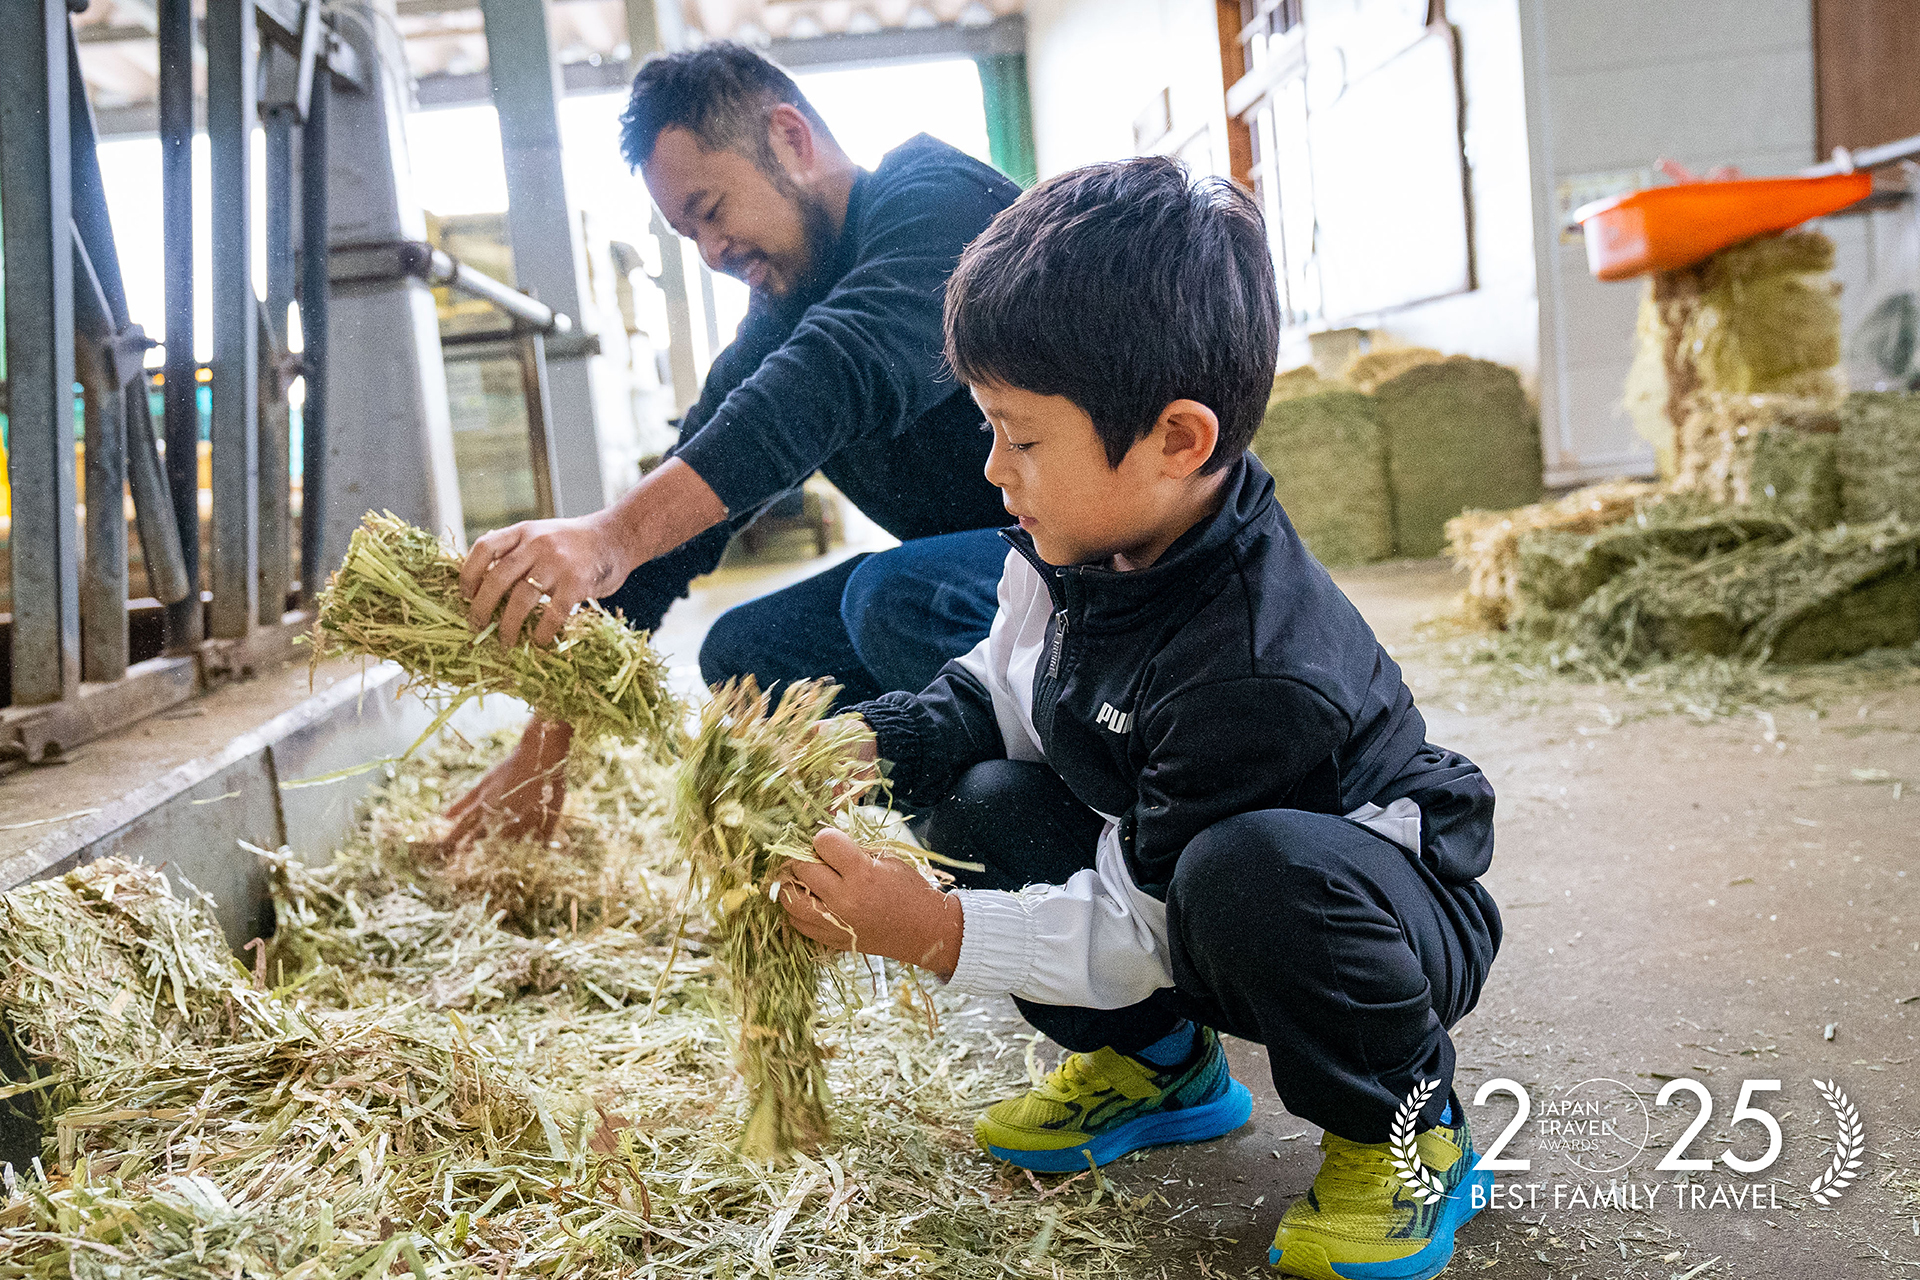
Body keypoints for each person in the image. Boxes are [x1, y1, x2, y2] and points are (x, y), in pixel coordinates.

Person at [772, 159, 1503, 1280]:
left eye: (1020, 436)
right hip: (1183, 878)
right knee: (978, 801)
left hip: (1364, 910)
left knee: (1249, 872)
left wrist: (928, 929)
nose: (990, 468)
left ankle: (1411, 1136)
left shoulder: (1255, 666)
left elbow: (1135, 927)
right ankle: (1161, 1065)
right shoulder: (1083, 538)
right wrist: (877, 740)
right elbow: (1004, 680)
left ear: (1177, 439)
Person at [446, 44, 1019, 847]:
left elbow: (840, 368)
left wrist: (608, 533)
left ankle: (1067, 806)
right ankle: (965, 818)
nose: (711, 253)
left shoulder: (943, 209)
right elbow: (658, 558)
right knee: (750, 658)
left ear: (789, 138)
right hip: (1000, 577)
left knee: (894, 598)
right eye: (688, 234)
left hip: (1130, 573)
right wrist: (542, 755)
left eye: (711, 210)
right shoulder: (779, 322)